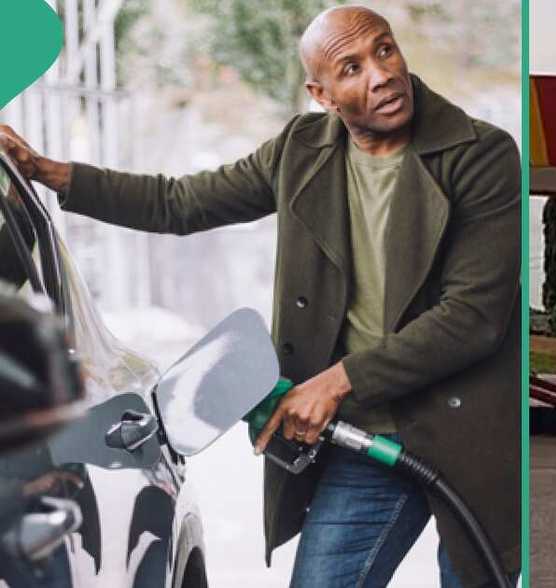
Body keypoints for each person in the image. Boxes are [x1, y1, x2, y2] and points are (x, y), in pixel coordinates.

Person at [0, 5, 520, 586]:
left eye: (384, 50)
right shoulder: (302, 150)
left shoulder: (481, 155)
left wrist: (334, 382)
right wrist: (50, 172)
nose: (380, 75)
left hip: (467, 431)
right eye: (352, 67)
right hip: (370, 438)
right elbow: (181, 202)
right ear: (321, 94)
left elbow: (474, 316)